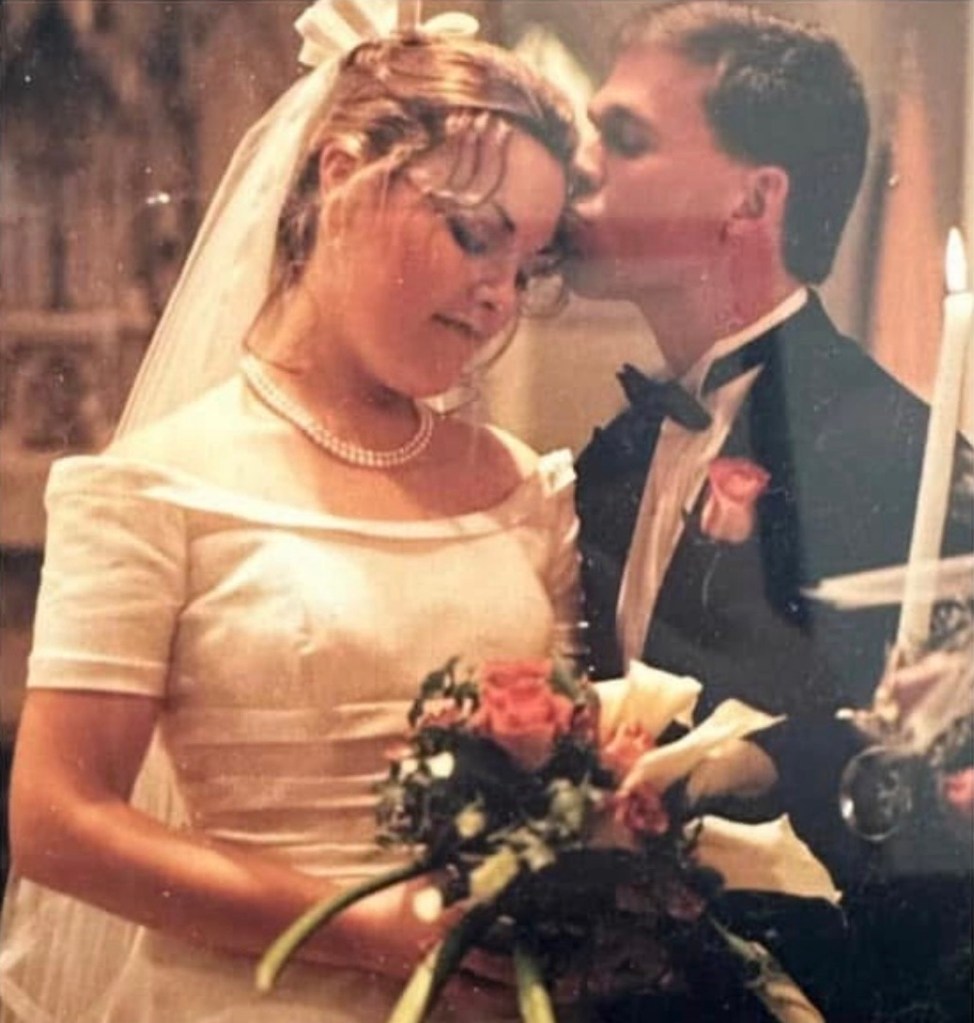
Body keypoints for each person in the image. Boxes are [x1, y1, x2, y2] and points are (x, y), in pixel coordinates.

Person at [0, 9, 580, 1023]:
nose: (497, 297)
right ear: (339, 171)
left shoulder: (524, 490)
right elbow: (56, 820)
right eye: (473, 235)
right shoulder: (154, 489)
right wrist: (360, 929)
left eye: (526, 263)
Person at [566, 2, 971, 1020]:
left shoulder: (891, 456)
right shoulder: (609, 460)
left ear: (752, 199)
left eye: (622, 138)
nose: (579, 166)